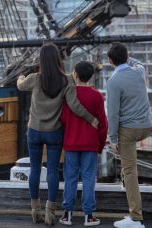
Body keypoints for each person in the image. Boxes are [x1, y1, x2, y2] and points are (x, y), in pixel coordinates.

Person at [17, 43, 98, 225]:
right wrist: (91, 119)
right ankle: (50, 213)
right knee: (53, 171)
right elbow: (75, 106)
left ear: (41, 60)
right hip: (54, 133)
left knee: (35, 170)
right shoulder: (67, 80)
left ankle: (34, 210)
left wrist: (21, 76)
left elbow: (21, 85)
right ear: (57, 59)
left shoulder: (35, 78)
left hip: (34, 132)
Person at [106, 43, 152, 228]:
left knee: (130, 170)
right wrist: (128, 57)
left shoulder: (113, 81)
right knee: (128, 167)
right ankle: (126, 183)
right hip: (146, 127)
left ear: (110, 61)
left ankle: (136, 218)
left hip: (129, 130)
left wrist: (113, 139)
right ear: (127, 57)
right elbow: (138, 62)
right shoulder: (139, 71)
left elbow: (113, 114)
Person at [59, 61, 108, 227]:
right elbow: (103, 123)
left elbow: (64, 119)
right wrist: (100, 145)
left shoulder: (69, 94)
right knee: (88, 178)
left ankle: (67, 215)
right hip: (90, 144)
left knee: (70, 178)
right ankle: (89, 216)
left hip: (71, 142)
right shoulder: (97, 96)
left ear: (75, 75)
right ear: (91, 76)